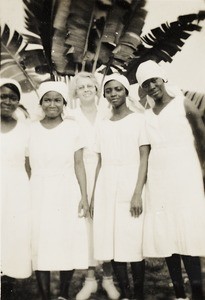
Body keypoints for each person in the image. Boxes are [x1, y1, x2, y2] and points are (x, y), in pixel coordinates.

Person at [136, 60, 205, 300]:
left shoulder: (183, 104)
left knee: (187, 234)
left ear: (162, 78)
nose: (151, 86)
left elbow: (202, 137)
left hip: (185, 174)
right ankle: (179, 294)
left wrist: (203, 170)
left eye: (154, 80)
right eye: (146, 83)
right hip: (158, 178)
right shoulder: (146, 115)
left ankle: (197, 293)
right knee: (167, 235)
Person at [28, 81, 89, 300]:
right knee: (40, 241)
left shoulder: (73, 128)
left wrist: (84, 196)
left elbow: (79, 164)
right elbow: (27, 165)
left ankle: (63, 294)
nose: (52, 104)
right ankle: (45, 296)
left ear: (64, 103)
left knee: (67, 240)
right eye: (47, 99)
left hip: (66, 189)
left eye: (57, 100)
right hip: (39, 190)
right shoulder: (31, 128)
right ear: (41, 103)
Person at [91, 73, 150, 300]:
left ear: (126, 91)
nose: (113, 94)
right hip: (107, 183)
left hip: (130, 180)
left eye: (118, 89)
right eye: (109, 90)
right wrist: (96, 194)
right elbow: (99, 161)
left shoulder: (138, 120)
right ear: (104, 94)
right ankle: (125, 294)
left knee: (132, 240)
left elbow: (144, 157)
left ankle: (139, 294)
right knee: (112, 240)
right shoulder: (103, 124)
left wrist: (137, 193)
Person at [69, 72, 120, 300]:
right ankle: (90, 280)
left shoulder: (108, 112)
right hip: (79, 174)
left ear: (97, 90)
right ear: (75, 92)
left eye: (91, 86)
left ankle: (108, 279)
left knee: (104, 224)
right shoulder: (70, 116)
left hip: (106, 170)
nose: (87, 90)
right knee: (86, 227)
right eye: (82, 87)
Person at [0, 78, 32, 299]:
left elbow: (30, 165)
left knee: (12, 238)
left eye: (13, 97)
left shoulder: (25, 128)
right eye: (3, 96)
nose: (7, 101)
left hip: (17, 189)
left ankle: (7, 287)